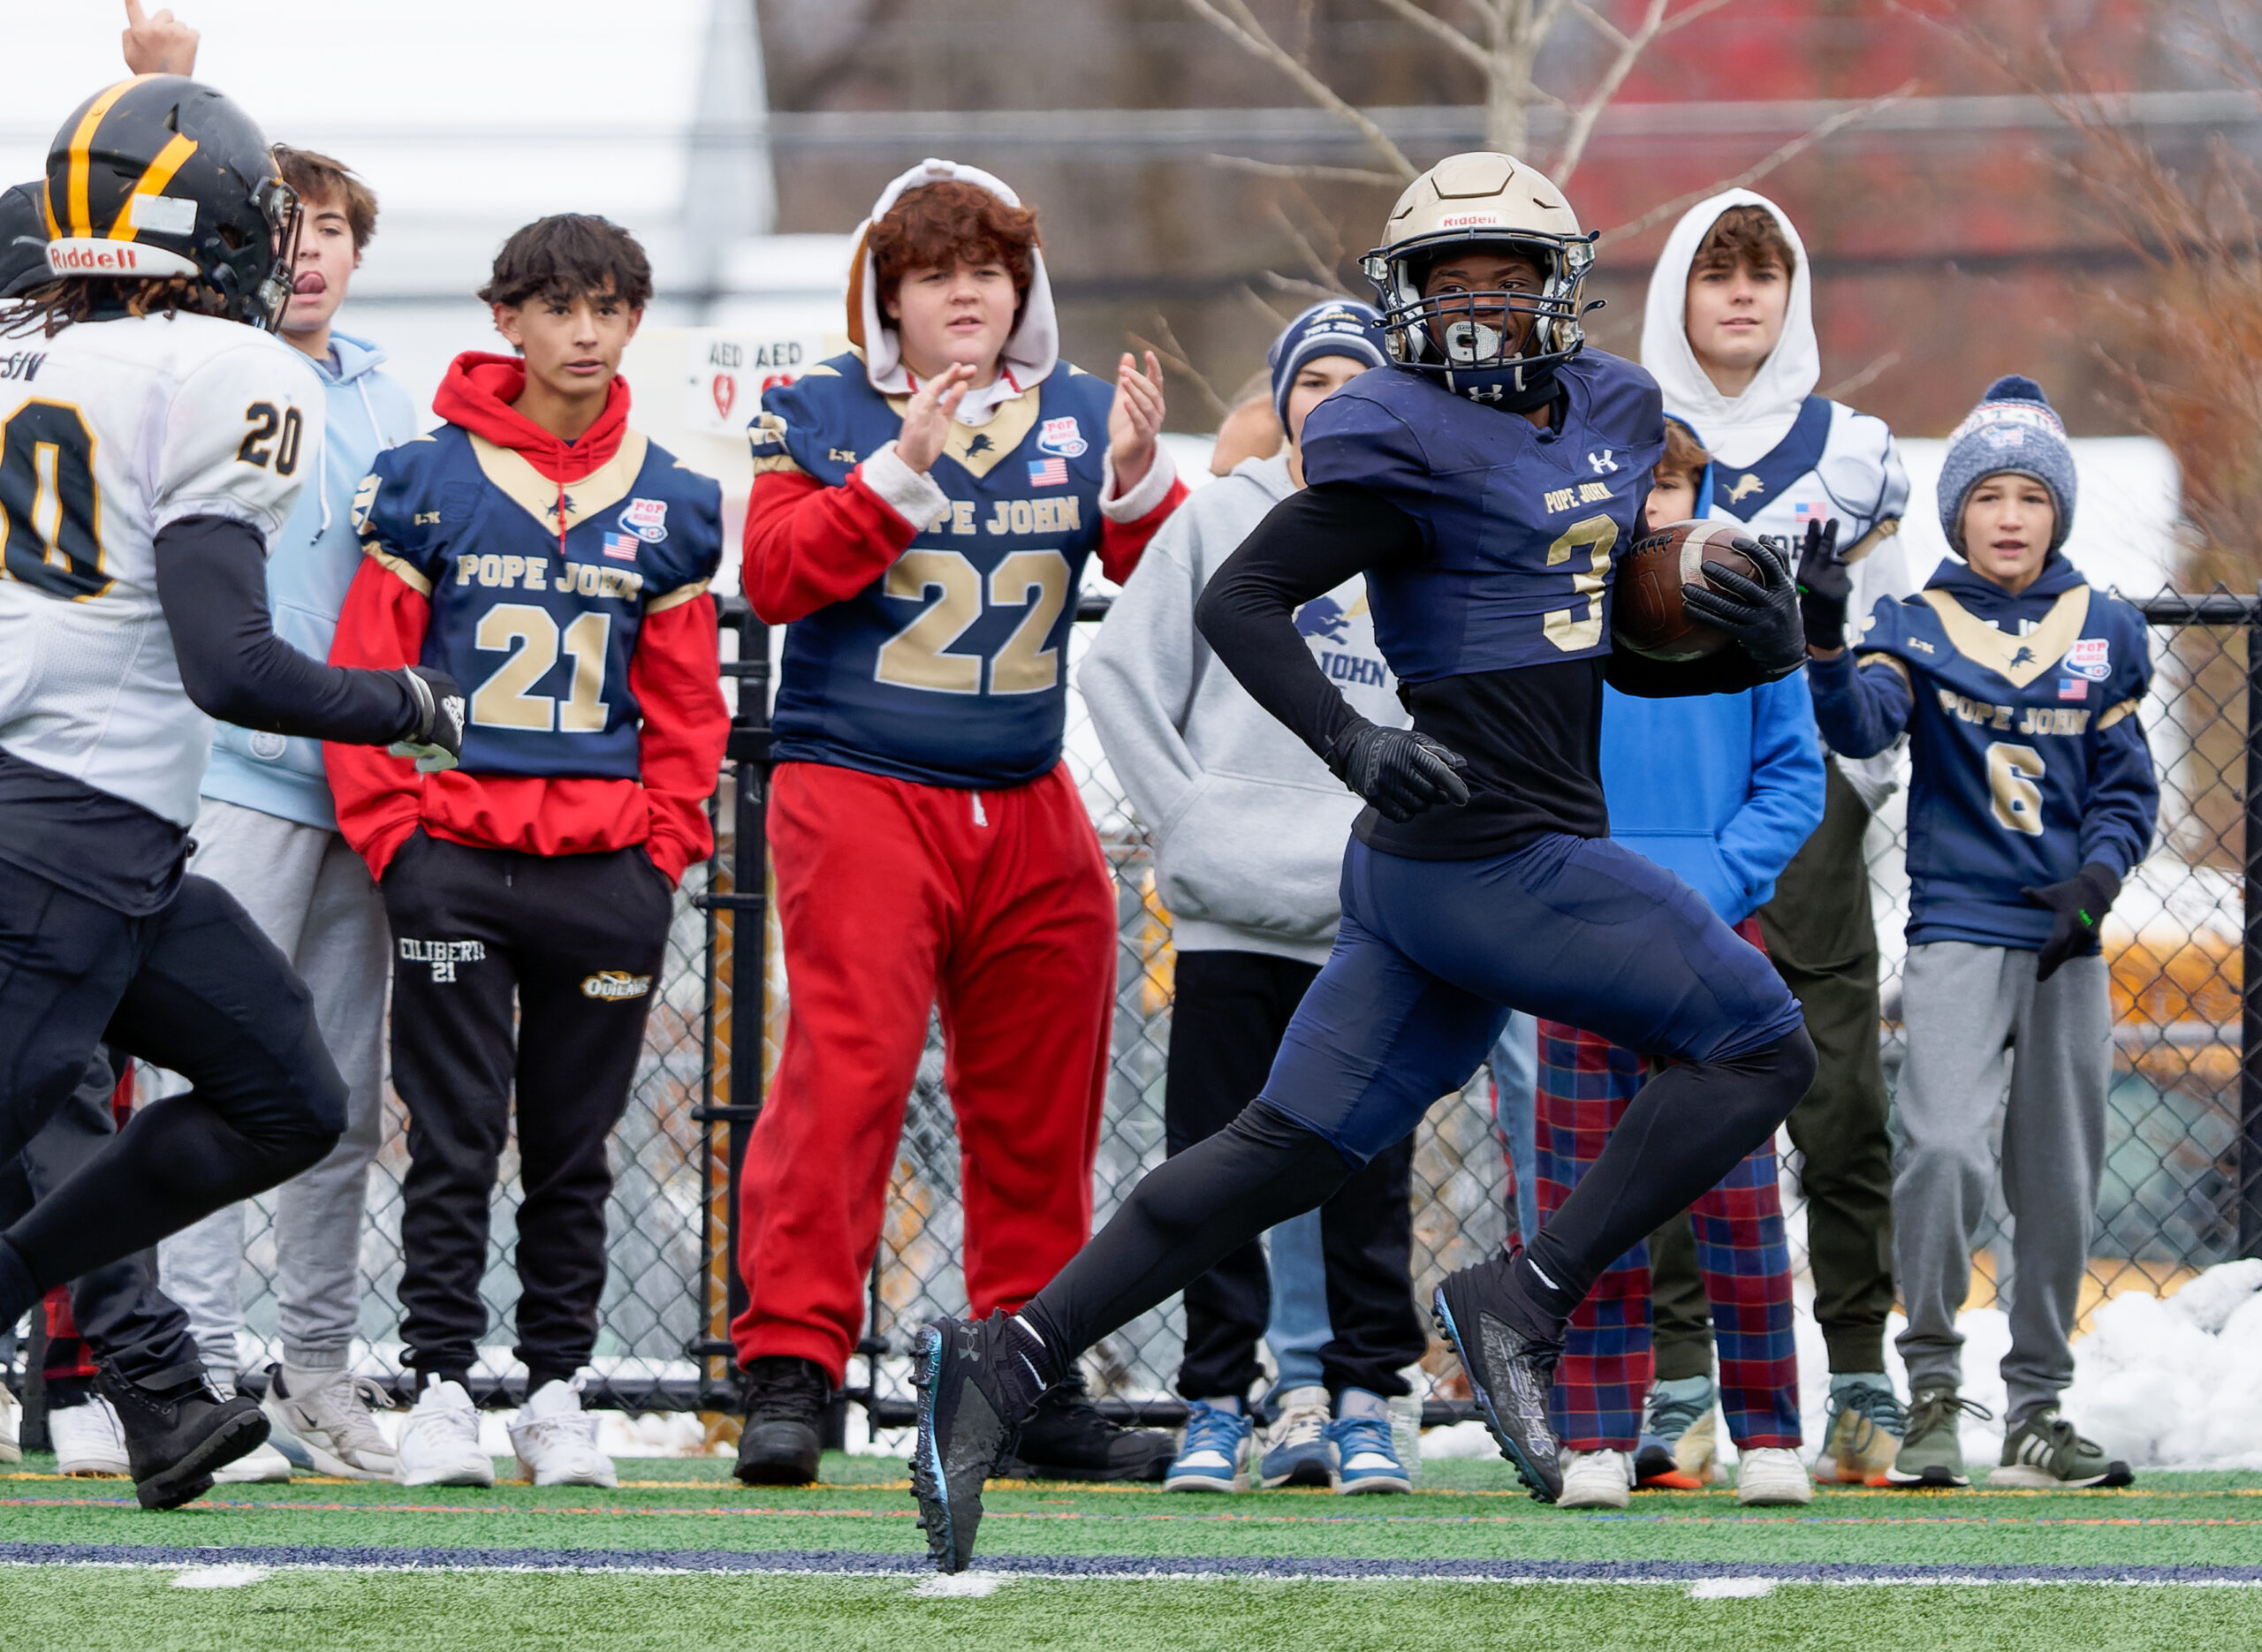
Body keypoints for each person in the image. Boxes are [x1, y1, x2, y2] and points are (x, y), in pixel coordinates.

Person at [908, 150, 1818, 1573]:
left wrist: (1754, 644)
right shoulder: (1398, 433)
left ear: (1556, 285)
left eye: (1503, 277)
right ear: (1403, 302)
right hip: (1478, 847)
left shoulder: (1618, 411)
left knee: (1281, 1150)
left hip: (1432, 872)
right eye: (1446, 281)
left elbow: (1618, 654)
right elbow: (1241, 595)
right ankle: (1529, 1291)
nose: (1475, 305)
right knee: (1759, 1041)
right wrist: (1354, 741)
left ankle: (1006, 1362)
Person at [0, 74, 465, 1510]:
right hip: (58, 827)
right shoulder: (232, 372)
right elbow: (229, 660)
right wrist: (405, 706)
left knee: (288, 1098)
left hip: (116, 837)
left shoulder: (58, 364)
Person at [730, 159, 1186, 1488]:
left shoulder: (1089, 412)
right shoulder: (814, 407)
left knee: (1045, 1100)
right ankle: (791, 1366)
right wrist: (897, 472)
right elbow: (769, 577)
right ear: (888, 298)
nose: (966, 292)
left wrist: (1141, 488)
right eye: (935, 274)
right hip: (862, 781)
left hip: (1026, 788)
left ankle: (1025, 1374)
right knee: (847, 1077)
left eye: (987, 269)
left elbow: (1168, 601)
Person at [325, 215, 727, 1490]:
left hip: (603, 867)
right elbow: (368, 671)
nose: (589, 333)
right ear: (507, 320)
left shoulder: (669, 498)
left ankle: (558, 1387)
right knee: (450, 1138)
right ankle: (441, 1378)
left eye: (611, 309)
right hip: (455, 850)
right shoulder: (425, 479)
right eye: (562, 308)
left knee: (572, 1142)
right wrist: (394, 834)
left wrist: (663, 847)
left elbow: (683, 704)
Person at [1082, 300, 1427, 1497]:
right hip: (1231, 904)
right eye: (1311, 379)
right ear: (1279, 399)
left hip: (1372, 907)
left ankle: (1365, 1392)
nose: (1331, 399)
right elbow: (1120, 670)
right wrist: (1190, 818)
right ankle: (1220, 1395)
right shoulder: (1220, 521)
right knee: (1217, 1158)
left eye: (1356, 380)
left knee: (1366, 1159)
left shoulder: (1423, 535)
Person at [1803, 375, 2156, 1491]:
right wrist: (1818, 642)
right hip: (1960, 924)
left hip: (2068, 935)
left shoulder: (2103, 629)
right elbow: (1862, 725)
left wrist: (2094, 882)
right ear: (1957, 511)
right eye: (1989, 495)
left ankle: (2039, 1404)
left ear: (2058, 512)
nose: (2010, 515)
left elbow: (2124, 787)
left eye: (2030, 497)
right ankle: (1934, 1383)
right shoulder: (1915, 624)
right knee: (1945, 1148)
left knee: (2055, 1174)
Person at [149, 146, 418, 1487]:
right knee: (210, 1076)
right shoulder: (202, 368)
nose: (307, 252)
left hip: (362, 797)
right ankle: (197, 1365)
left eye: (332, 231)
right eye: (286, 229)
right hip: (230, 779)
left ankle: (315, 1368)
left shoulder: (394, 401)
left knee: (346, 1103)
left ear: (360, 252)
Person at [1638, 191, 1914, 1483]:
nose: (1742, 295)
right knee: (1676, 1098)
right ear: (1674, 294)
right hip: (1661, 799)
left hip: (1806, 798)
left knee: (1842, 1095)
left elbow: (1905, 648)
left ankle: (1859, 1371)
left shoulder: (1853, 449)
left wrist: (1859, 701)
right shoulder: (1615, 431)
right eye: (1715, 272)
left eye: (1763, 272)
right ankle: (1679, 1376)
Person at [1531, 416, 1823, 1510]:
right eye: (1636, 487)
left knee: (1739, 1197)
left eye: (1674, 487)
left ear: (1701, 495)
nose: (1654, 508)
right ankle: (1597, 1434)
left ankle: (1769, 1436)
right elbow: (1526, 778)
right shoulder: (1555, 622)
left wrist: (1702, 890)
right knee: (1582, 1192)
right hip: (1578, 936)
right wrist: (1591, 890)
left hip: (1713, 941)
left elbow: (1793, 783)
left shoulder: (1751, 621)